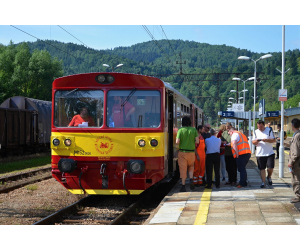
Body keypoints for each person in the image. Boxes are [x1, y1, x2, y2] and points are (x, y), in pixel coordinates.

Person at [176, 116, 199, 192]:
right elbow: (197, 141)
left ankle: (183, 186)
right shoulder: (194, 130)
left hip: (182, 152)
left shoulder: (180, 130)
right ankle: (191, 180)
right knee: (191, 166)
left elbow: (177, 142)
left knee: (183, 169)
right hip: (191, 152)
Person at [252, 120, 276, 188]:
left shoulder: (269, 130)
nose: (260, 128)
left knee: (270, 167)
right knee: (262, 168)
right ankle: (263, 182)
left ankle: (269, 176)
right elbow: (253, 142)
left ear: (264, 125)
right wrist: (256, 141)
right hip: (260, 153)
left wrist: (267, 140)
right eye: (258, 127)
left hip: (269, 153)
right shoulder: (255, 131)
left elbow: (274, 140)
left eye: (261, 127)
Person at [288, 118, 300, 203]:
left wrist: (291, 162)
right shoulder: (298, 134)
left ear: (292, 125)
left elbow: (295, 151)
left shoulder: (297, 136)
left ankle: (298, 196)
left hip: (297, 162)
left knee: (296, 179)